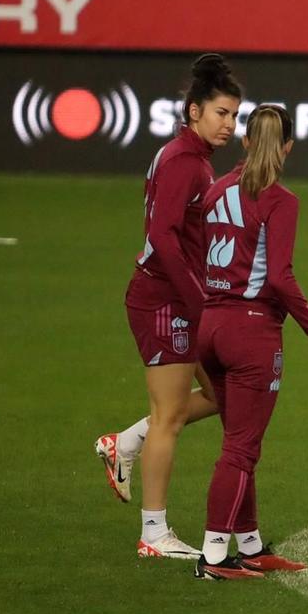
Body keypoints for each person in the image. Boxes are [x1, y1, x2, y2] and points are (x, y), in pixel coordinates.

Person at [96, 53, 242, 558]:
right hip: (165, 300)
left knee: (222, 395)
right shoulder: (185, 162)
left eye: (234, 116)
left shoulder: (188, 157)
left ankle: (125, 444)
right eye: (222, 113)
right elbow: (161, 236)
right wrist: (198, 304)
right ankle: (154, 535)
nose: (230, 125)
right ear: (195, 110)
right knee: (170, 416)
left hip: (177, 297)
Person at [191, 105, 308, 579]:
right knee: (240, 451)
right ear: (288, 147)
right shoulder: (280, 200)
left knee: (238, 443)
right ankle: (213, 556)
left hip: (208, 326)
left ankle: (249, 545)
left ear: (246, 141)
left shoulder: (215, 190)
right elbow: (280, 277)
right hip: (251, 333)